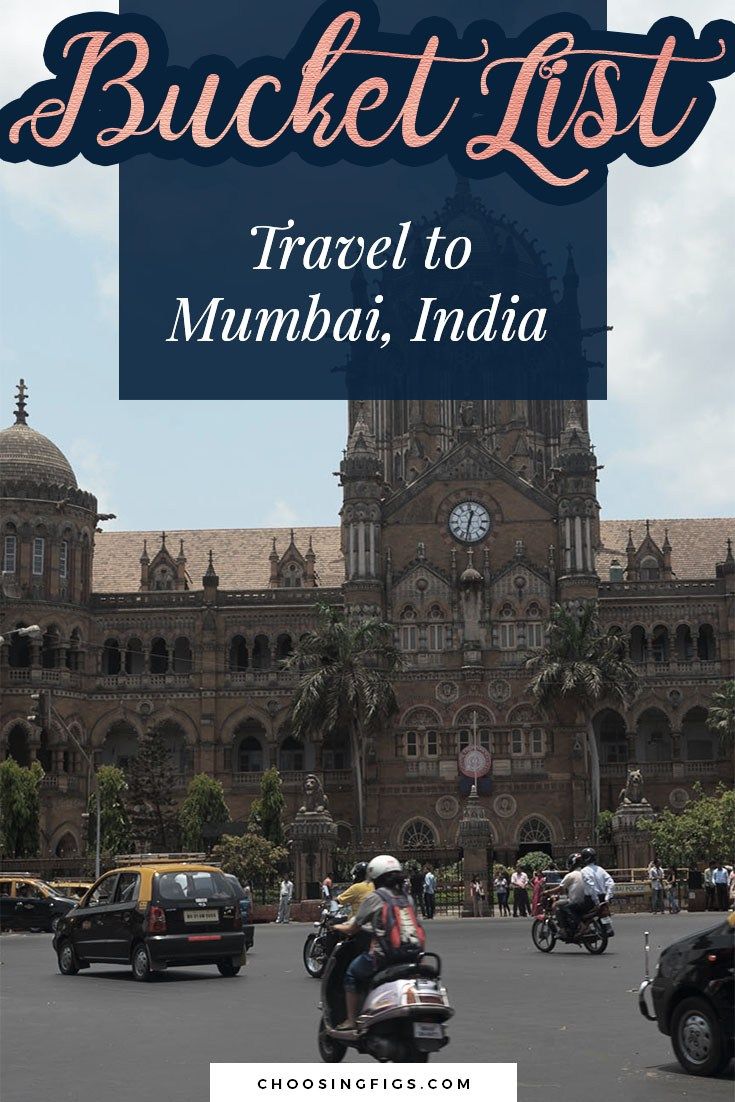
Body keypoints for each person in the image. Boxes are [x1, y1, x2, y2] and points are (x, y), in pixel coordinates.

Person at [332, 854, 425, 1031]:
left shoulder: (375, 897)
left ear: (375, 878)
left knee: (351, 974)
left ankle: (351, 1020)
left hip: (385, 956)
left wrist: (336, 927)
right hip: (414, 956)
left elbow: (353, 928)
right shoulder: (408, 898)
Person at [553, 853, 587, 938]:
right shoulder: (586, 873)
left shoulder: (570, 875)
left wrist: (547, 891)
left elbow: (560, 888)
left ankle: (563, 930)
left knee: (557, 906)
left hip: (575, 901)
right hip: (587, 901)